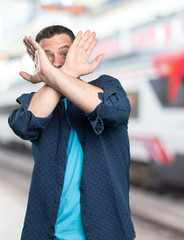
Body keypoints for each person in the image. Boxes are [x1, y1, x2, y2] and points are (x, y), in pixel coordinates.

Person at [8, 25, 136, 240]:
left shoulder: (106, 86)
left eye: (65, 54)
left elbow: (113, 111)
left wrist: (55, 75)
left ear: (78, 54)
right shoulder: (33, 100)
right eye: (47, 57)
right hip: (45, 232)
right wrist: (64, 73)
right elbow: (24, 126)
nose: (57, 62)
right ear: (38, 62)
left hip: (106, 231)